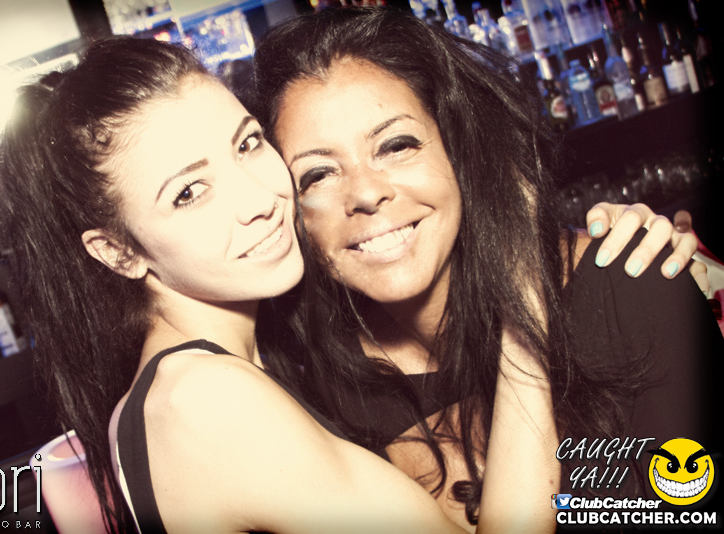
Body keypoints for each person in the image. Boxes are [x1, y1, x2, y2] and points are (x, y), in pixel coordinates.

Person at [251, 7, 722, 532]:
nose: (365, 193)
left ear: (460, 149)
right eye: (317, 174)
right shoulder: (320, 389)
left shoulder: (627, 287)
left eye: (396, 145)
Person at [0, 37, 470, 533]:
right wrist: (518, 342)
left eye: (247, 144)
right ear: (119, 252)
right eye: (189, 192)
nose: (260, 199)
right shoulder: (205, 400)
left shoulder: (191, 384)